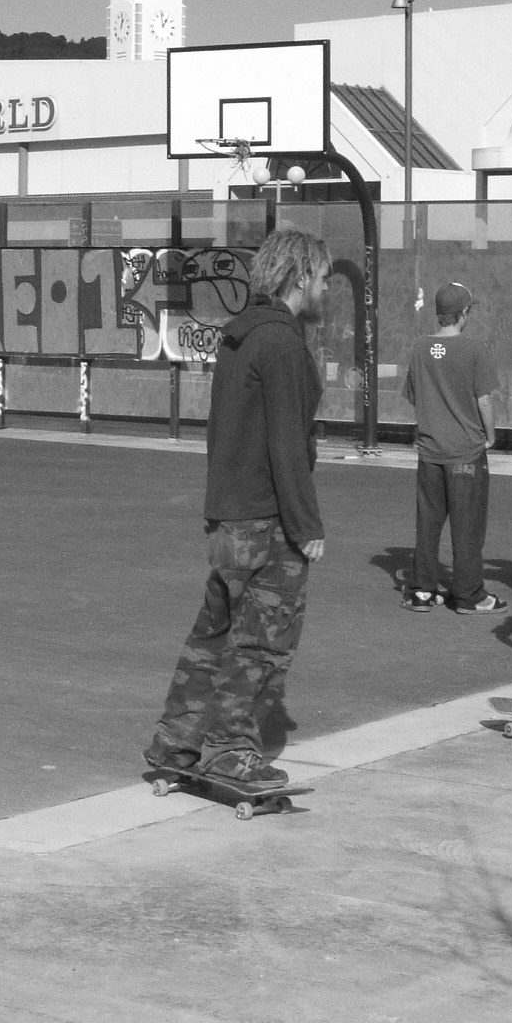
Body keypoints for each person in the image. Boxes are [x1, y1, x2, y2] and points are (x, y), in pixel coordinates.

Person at [146, 227, 331, 791]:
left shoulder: (239, 337)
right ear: (300, 277)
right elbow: (286, 445)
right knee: (262, 643)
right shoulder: (282, 344)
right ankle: (230, 750)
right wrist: (307, 526)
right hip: (266, 520)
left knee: (214, 635)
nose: (325, 288)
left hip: (228, 514)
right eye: (322, 278)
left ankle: (176, 742)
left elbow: (228, 432)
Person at [401, 281, 505, 614]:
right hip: (465, 455)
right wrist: (490, 435)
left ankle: (422, 591)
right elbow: (483, 398)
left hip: (430, 453)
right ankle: (468, 595)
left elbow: (414, 395)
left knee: (428, 524)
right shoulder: (474, 349)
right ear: (464, 313)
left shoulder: (419, 347)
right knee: (468, 526)